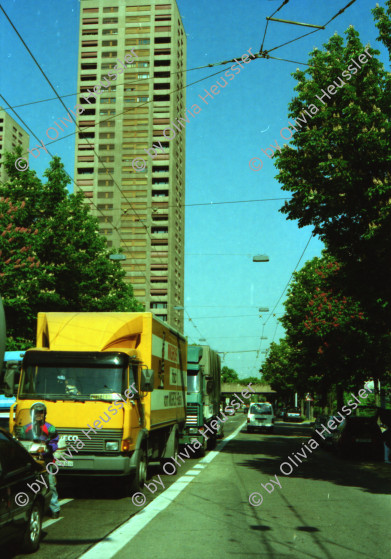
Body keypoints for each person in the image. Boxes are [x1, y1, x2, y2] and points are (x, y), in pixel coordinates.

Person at [18, 402, 61, 518]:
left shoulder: (50, 428)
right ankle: (25, 509)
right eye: (36, 413)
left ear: (44, 414)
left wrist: (47, 448)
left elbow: (55, 442)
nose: (38, 415)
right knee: (28, 485)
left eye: (41, 413)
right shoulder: (25, 428)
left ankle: (55, 508)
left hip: (46, 460)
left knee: (50, 484)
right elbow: (20, 442)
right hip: (30, 460)